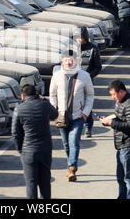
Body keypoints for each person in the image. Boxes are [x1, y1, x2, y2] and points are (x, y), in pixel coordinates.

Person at [49, 49, 94, 182]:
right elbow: (52, 94)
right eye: (66, 60)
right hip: (61, 116)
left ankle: (72, 167)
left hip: (77, 116)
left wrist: (85, 112)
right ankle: (71, 163)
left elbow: (90, 95)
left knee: (74, 141)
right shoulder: (57, 75)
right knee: (66, 143)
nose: (69, 63)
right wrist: (55, 110)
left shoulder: (84, 76)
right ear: (62, 61)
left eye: (71, 60)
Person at [12, 84, 58, 199]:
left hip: (28, 150)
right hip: (45, 149)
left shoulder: (19, 109)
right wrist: (45, 101)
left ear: (23, 96)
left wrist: (20, 149)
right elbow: (55, 115)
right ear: (36, 93)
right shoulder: (44, 105)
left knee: (31, 183)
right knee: (45, 182)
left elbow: (15, 132)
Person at [100, 79, 130, 199]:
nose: (113, 97)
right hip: (121, 146)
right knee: (120, 177)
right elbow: (119, 117)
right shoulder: (120, 102)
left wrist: (111, 123)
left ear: (121, 91)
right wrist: (107, 120)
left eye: (114, 94)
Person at [75, 27, 102, 138]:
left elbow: (98, 67)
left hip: (87, 81)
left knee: (87, 104)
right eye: (76, 38)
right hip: (73, 81)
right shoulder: (71, 48)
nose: (78, 40)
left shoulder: (92, 48)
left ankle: (88, 126)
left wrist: (88, 76)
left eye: (80, 38)